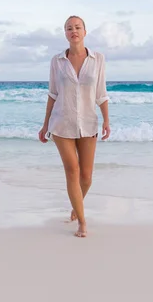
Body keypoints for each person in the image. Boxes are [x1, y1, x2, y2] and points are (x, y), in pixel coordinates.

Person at [38, 15, 110, 238]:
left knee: (86, 177)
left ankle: (75, 206)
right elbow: (52, 94)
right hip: (61, 123)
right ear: (65, 34)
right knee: (72, 171)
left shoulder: (97, 59)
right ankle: (82, 221)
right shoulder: (57, 61)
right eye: (69, 28)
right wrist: (44, 125)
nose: (73, 31)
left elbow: (101, 93)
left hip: (88, 123)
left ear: (85, 32)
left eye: (77, 27)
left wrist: (107, 120)